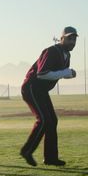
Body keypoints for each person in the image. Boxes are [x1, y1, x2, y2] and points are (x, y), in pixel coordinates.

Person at [20, 26, 78, 166]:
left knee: (52, 120)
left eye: (74, 38)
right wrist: (65, 73)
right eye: (69, 38)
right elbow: (42, 73)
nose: (72, 41)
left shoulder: (66, 55)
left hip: (41, 90)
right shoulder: (51, 51)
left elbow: (57, 73)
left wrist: (68, 74)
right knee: (44, 120)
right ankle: (27, 151)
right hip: (32, 87)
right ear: (61, 38)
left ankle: (50, 158)